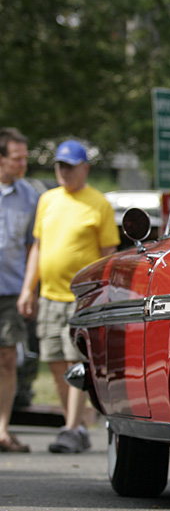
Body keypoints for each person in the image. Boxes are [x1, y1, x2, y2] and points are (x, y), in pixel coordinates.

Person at [17, 139, 119, 454]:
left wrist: (101, 292)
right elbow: (37, 246)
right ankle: (73, 424)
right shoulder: (47, 200)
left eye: (70, 166)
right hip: (49, 295)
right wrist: (27, 288)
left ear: (85, 168)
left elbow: (108, 252)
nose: (63, 172)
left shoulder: (98, 202)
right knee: (55, 360)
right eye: (60, 166)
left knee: (77, 360)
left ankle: (72, 427)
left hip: (80, 298)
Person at [0, 128, 38, 453]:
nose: (23, 163)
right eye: (17, 158)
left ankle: (2, 430)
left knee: (8, 358)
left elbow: (31, 247)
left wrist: (30, 289)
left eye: (25, 157)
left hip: (10, 290)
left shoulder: (29, 195)